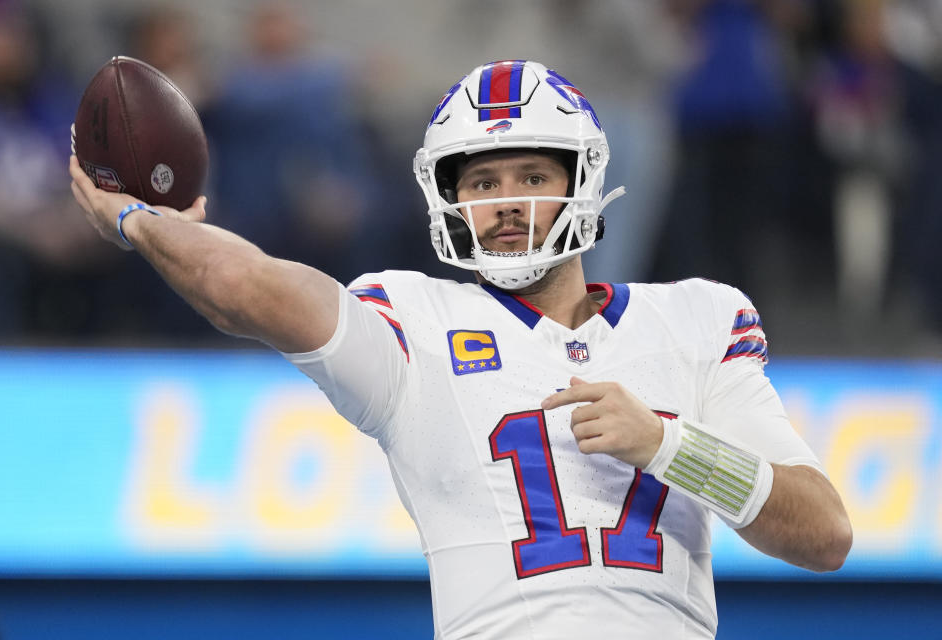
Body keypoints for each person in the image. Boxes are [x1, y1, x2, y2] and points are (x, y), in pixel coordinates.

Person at [69, 60, 852, 639]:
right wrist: (144, 222)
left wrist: (668, 443)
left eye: (532, 175)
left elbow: (824, 534)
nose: (506, 202)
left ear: (583, 182)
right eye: (481, 183)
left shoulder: (697, 319)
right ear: (451, 200)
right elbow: (256, 291)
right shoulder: (415, 319)